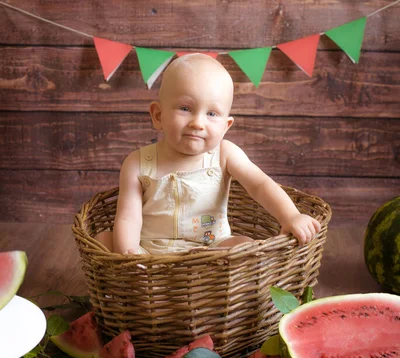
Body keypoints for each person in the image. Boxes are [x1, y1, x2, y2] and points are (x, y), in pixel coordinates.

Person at [96, 53, 321, 255]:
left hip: (212, 251)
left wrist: (290, 216)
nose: (198, 123)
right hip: (151, 254)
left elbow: (260, 185)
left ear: (226, 126)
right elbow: (128, 216)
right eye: (185, 108)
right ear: (158, 115)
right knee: (105, 240)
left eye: (212, 113)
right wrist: (129, 255)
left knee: (245, 245)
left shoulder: (225, 153)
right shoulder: (137, 163)